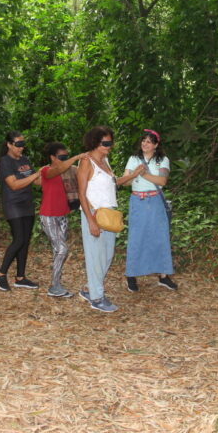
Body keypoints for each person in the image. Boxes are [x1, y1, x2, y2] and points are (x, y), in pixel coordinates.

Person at [77, 126, 131, 312]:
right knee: (95, 256)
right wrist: (91, 220)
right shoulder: (86, 162)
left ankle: (88, 288)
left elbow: (113, 184)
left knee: (107, 255)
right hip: (93, 213)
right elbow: (81, 194)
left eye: (110, 142)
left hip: (108, 214)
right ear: (95, 143)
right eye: (106, 143)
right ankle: (97, 297)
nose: (110, 146)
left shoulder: (105, 161)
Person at [121, 129, 177, 292]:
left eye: (149, 142)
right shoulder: (133, 159)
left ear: (156, 145)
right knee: (136, 238)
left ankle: (163, 276)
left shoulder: (163, 160)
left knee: (160, 237)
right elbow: (125, 182)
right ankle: (131, 275)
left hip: (155, 202)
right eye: (143, 141)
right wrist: (133, 175)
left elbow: (162, 180)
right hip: (138, 201)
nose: (145, 144)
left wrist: (142, 174)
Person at [0, 131, 42, 291]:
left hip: (27, 203)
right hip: (13, 204)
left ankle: (20, 277)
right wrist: (35, 175)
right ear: (9, 144)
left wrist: (50, 174)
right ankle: (1, 274)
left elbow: (36, 181)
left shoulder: (25, 160)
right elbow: (13, 184)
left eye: (23, 144)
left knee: (25, 241)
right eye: (18, 144)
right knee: (19, 239)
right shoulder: (4, 162)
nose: (21, 148)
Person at [39, 142, 85, 298]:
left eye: (66, 156)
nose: (65, 159)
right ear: (52, 157)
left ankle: (56, 283)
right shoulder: (46, 171)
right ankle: (54, 285)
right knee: (62, 249)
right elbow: (57, 170)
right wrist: (76, 157)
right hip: (48, 216)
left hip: (62, 215)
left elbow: (84, 173)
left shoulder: (70, 171)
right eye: (62, 157)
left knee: (57, 250)